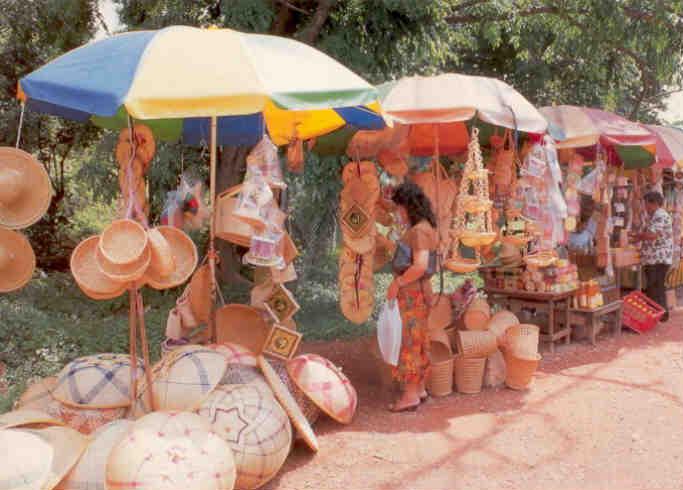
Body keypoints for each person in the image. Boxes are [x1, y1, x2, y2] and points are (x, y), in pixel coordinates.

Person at [386, 182, 439, 412]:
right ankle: (419, 389)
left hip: (411, 293)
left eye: (399, 207)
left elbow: (419, 265)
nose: (399, 212)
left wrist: (397, 283)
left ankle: (409, 396)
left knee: (409, 341)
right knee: (418, 339)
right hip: (420, 290)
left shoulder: (418, 231)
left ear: (409, 206)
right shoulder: (427, 227)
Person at [632, 191, 673, 322]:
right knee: (657, 286)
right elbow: (649, 233)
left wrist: (639, 237)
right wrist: (637, 237)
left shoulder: (660, 215)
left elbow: (652, 235)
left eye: (646, 204)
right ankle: (661, 314)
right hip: (656, 258)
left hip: (658, 258)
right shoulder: (656, 215)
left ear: (654, 203)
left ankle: (657, 315)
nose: (645, 207)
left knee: (654, 287)